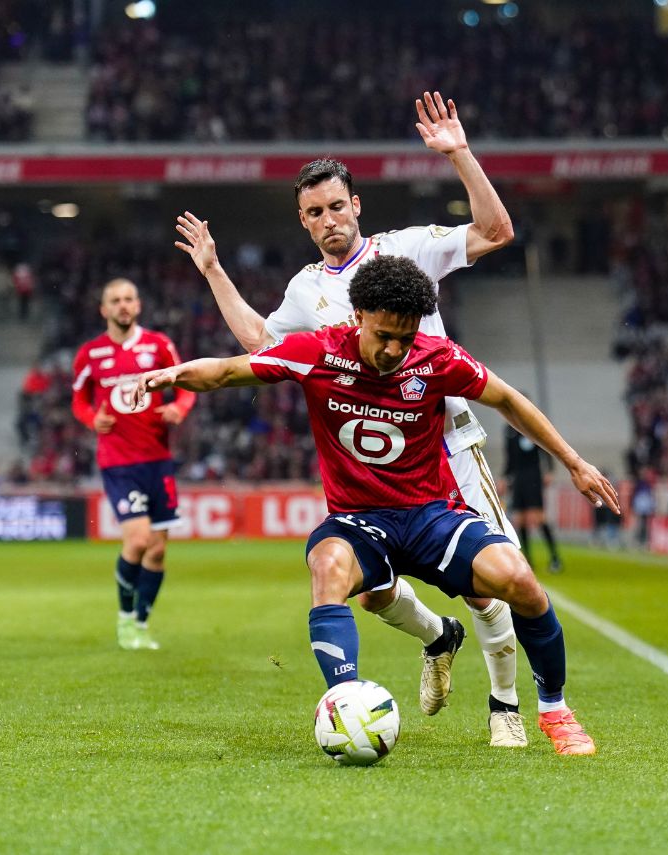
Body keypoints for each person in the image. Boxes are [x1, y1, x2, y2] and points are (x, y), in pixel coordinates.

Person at [135, 256, 620, 756]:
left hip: (432, 514)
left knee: (518, 578)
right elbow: (226, 372)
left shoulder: (438, 357)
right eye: (384, 335)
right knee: (328, 568)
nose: (393, 350)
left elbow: (509, 400)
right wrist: (171, 375)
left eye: (405, 339)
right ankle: (345, 701)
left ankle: (555, 711)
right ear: (359, 314)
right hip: (358, 519)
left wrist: (575, 462)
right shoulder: (316, 351)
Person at [175, 91, 530, 746]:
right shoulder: (305, 291)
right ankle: (437, 635)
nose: (329, 218)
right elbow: (260, 344)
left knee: (487, 581)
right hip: (372, 463)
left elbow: (496, 232)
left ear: (356, 206)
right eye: (315, 212)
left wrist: (459, 154)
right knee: (371, 592)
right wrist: (215, 270)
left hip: (446, 441)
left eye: (338, 205)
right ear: (303, 221)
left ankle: (505, 703)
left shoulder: (405, 251)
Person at [71, 278, 196, 650]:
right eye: (115, 300)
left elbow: (185, 382)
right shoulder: (90, 354)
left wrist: (179, 406)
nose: (123, 305)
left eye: (129, 299)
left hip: (158, 459)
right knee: (139, 540)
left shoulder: (158, 345)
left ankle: (141, 624)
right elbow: (78, 400)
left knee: (157, 549)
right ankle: (125, 620)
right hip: (118, 462)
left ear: (138, 305)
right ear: (104, 309)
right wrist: (92, 419)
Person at [503, 418, 562, 572]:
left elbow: (547, 448)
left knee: (538, 517)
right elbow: (510, 459)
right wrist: (504, 478)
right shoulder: (509, 431)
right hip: (518, 479)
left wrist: (549, 470)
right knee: (520, 519)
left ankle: (555, 558)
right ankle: (528, 561)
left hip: (534, 477)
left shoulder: (533, 425)